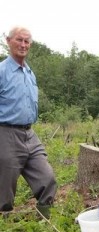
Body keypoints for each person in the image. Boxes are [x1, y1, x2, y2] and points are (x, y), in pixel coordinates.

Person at [0, 26, 57, 218]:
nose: (23, 45)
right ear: (8, 41)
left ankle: (44, 224)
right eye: (19, 40)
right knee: (4, 185)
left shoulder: (29, 73)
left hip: (29, 133)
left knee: (47, 177)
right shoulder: (1, 71)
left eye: (27, 41)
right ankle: (4, 230)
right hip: (5, 132)